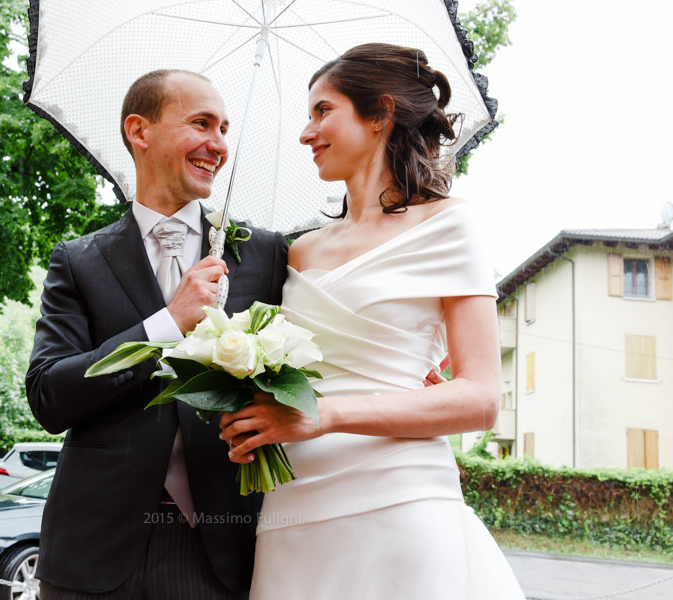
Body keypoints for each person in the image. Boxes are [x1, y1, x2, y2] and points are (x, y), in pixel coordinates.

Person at [220, 43, 526, 599]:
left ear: (380, 113)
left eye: (322, 110)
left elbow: (480, 399)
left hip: (398, 499)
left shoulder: (451, 228)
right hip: (293, 505)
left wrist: (322, 416)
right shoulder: (300, 252)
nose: (306, 132)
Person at [26, 69, 289, 599]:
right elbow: (49, 396)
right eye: (201, 124)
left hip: (220, 550)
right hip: (91, 552)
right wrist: (167, 324)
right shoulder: (79, 261)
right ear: (139, 131)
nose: (218, 145)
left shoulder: (266, 254)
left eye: (224, 129)